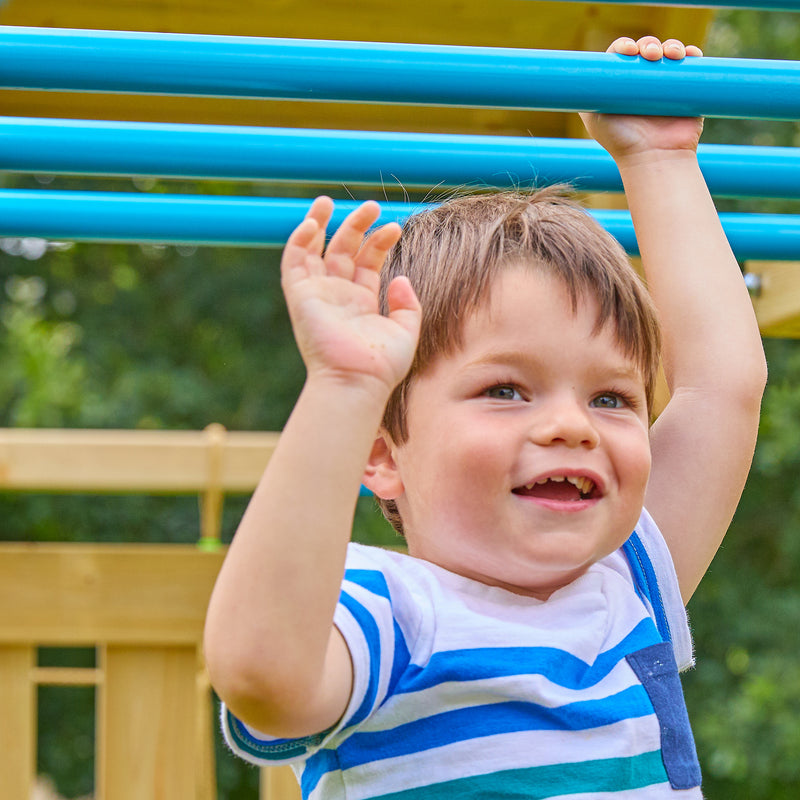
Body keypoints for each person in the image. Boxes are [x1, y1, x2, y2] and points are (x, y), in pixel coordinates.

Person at [204, 36, 767, 798]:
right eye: (506, 390)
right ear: (381, 455)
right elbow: (259, 673)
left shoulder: (626, 584)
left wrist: (660, 162)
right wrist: (344, 388)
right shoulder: (391, 614)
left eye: (611, 398)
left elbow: (721, 386)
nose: (573, 425)